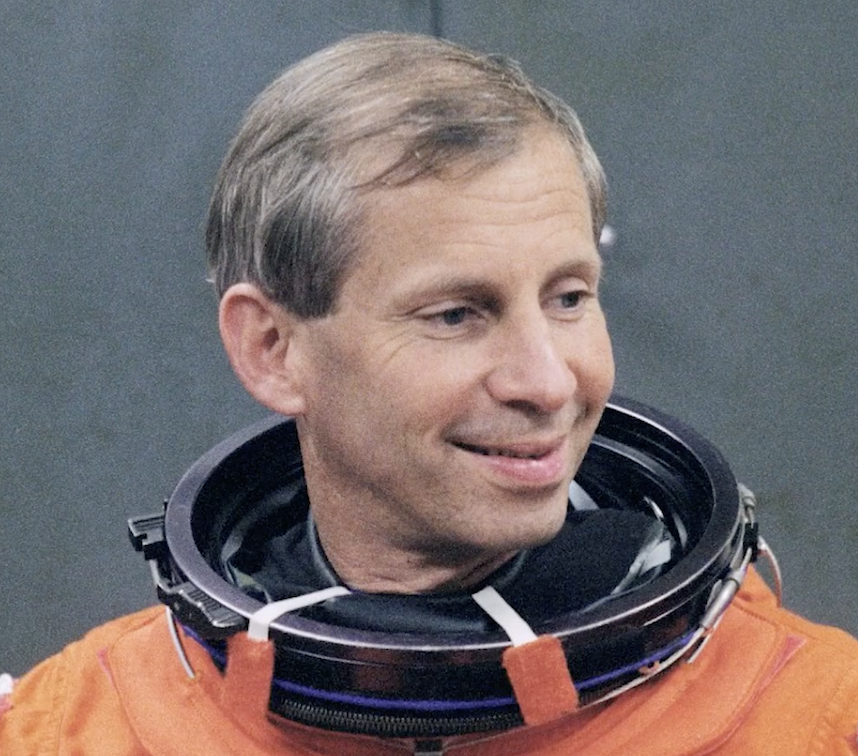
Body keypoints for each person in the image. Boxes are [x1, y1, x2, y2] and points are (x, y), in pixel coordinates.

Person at [3, 31, 858, 756]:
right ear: (273, 350)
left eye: (569, 298)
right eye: (456, 314)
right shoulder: (72, 732)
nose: (548, 381)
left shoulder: (816, 721)